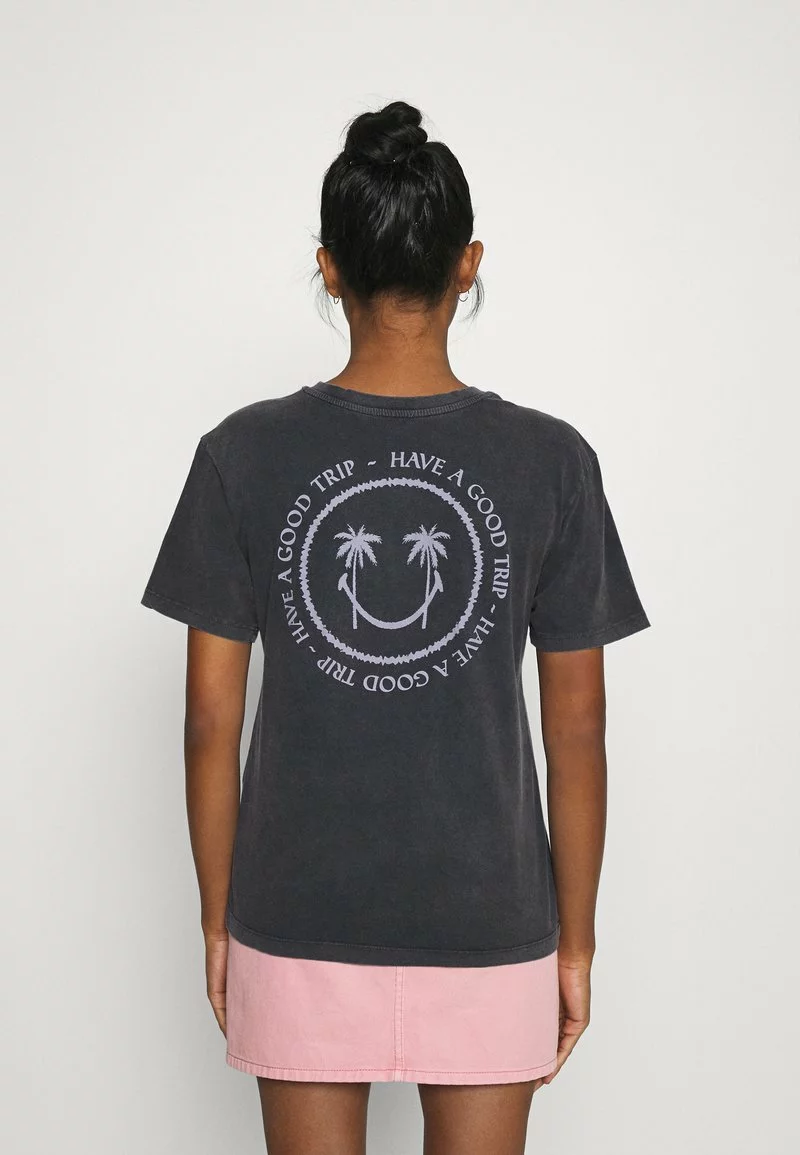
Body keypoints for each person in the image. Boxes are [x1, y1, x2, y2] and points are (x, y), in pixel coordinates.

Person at [141, 99, 650, 1155]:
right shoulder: (551, 461)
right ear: (467, 264)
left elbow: (207, 721)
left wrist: (216, 917)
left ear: (328, 268)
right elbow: (579, 728)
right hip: (490, 918)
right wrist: (576, 941)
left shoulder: (242, 453)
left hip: (296, 912)